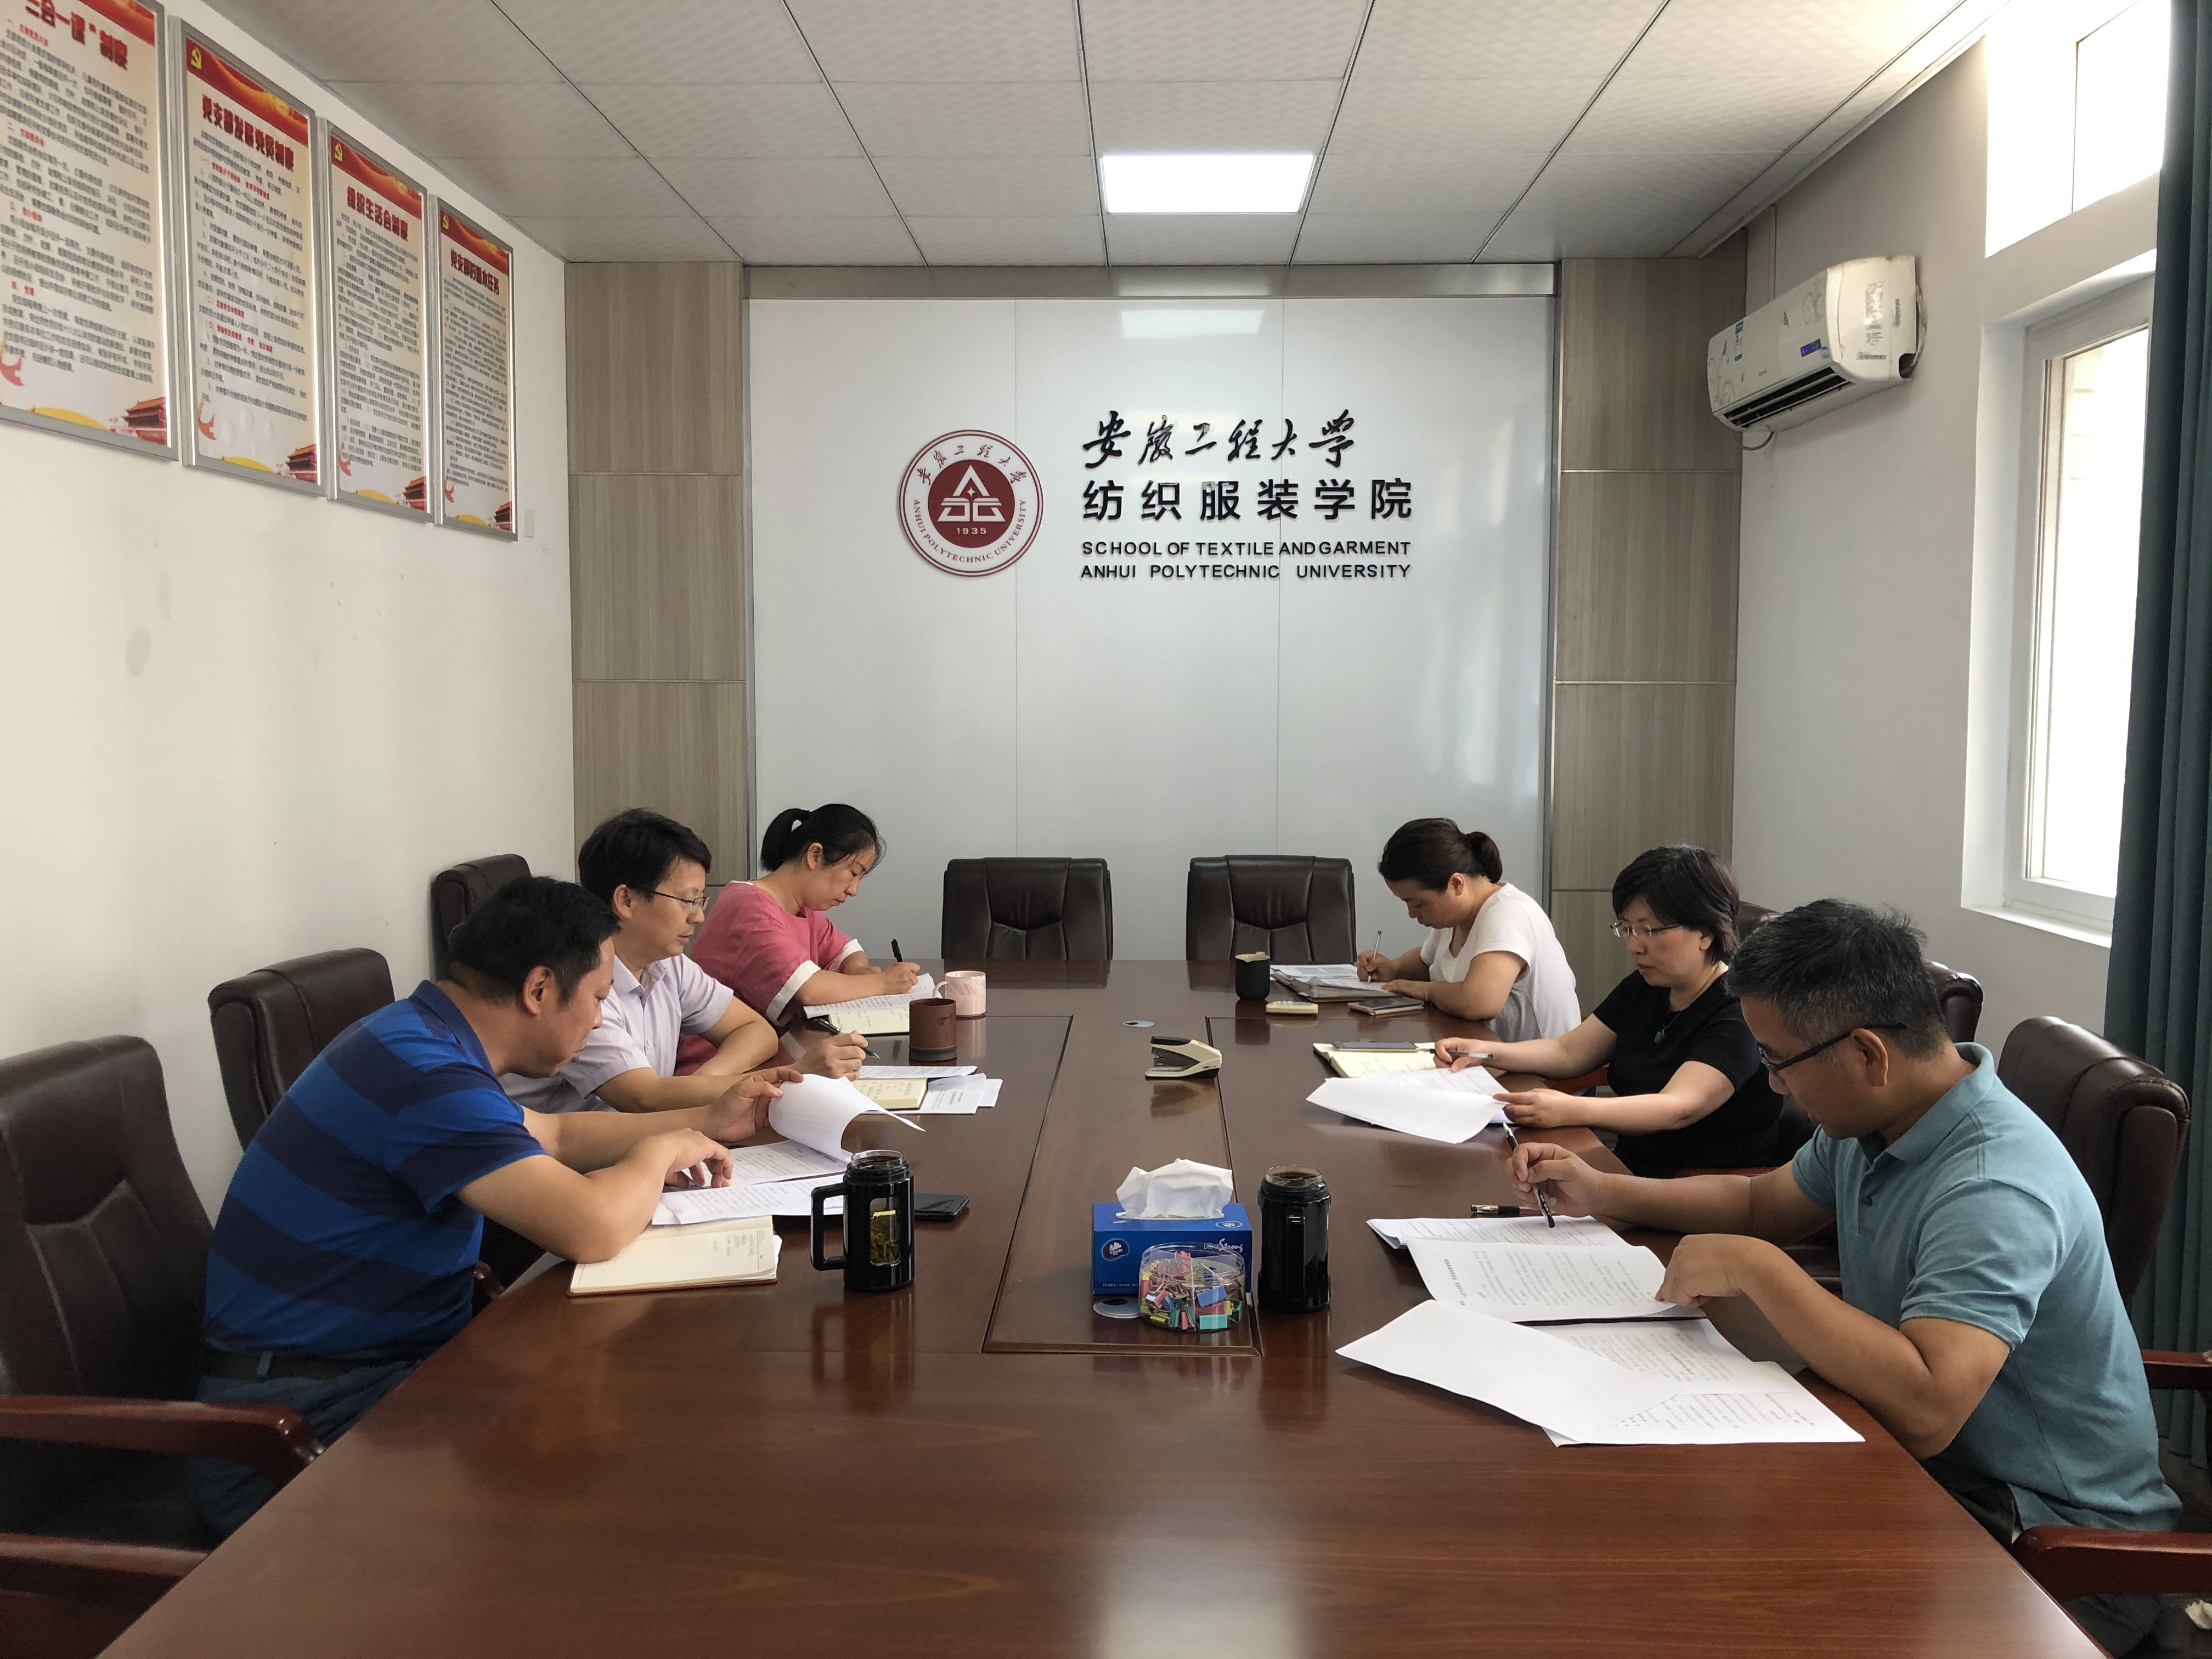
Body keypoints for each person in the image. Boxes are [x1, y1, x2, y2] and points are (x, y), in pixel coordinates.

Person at [1507, 899, 2183, 1658]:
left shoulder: (1993, 1186)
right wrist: (1604, 1190)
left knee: (1711, 1590)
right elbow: (1761, 1205)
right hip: (1926, 1470)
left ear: (1867, 1053)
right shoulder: (1886, 1117)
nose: (1775, 1087)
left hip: (2053, 1544)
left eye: (1778, 1062)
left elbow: (1928, 1410)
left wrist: (1759, 1269)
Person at [193, 876, 799, 1536]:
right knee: (594, 1506)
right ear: (538, 989)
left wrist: (707, 1118)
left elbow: (555, 1134)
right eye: (598, 998)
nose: (601, 1019)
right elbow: (592, 1227)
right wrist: (657, 1155)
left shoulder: (418, 1036)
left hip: (375, 1368)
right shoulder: (424, 1074)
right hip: (305, 1420)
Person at [1437, 843, 1781, 1174]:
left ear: (1705, 933)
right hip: (1630, 1165)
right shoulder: (1648, 986)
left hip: (1703, 1181)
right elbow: (1568, 1051)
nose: (1635, 946)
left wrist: (1571, 1109)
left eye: (1649, 930)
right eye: (1627, 929)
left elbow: (1678, 1107)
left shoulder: (1739, 1009)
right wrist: (1484, 1052)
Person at [503, 809, 863, 1114]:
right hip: (565, 1160)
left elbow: (756, 1032)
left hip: (644, 1137)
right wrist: (797, 1074)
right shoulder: (580, 981)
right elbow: (644, 1097)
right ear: (626, 900)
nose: (698, 917)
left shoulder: (667, 964)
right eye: (687, 901)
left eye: (700, 901)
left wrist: (704, 1082)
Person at [687, 802, 916, 1035]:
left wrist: (858, 970)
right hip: (724, 1054)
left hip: (772, 1047)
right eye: (853, 873)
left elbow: (847, 951)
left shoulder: (803, 909)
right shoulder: (750, 907)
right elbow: (809, 990)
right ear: (815, 855)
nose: (853, 890)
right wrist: (882, 983)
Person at [1353, 818, 1578, 1041]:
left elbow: (1478, 1002)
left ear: (1456, 884)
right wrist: (1394, 968)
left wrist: (1425, 990)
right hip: (1482, 1052)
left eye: (1418, 904)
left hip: (1535, 1063)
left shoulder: (1509, 914)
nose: (1412, 914)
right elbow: (1427, 962)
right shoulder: (1455, 917)